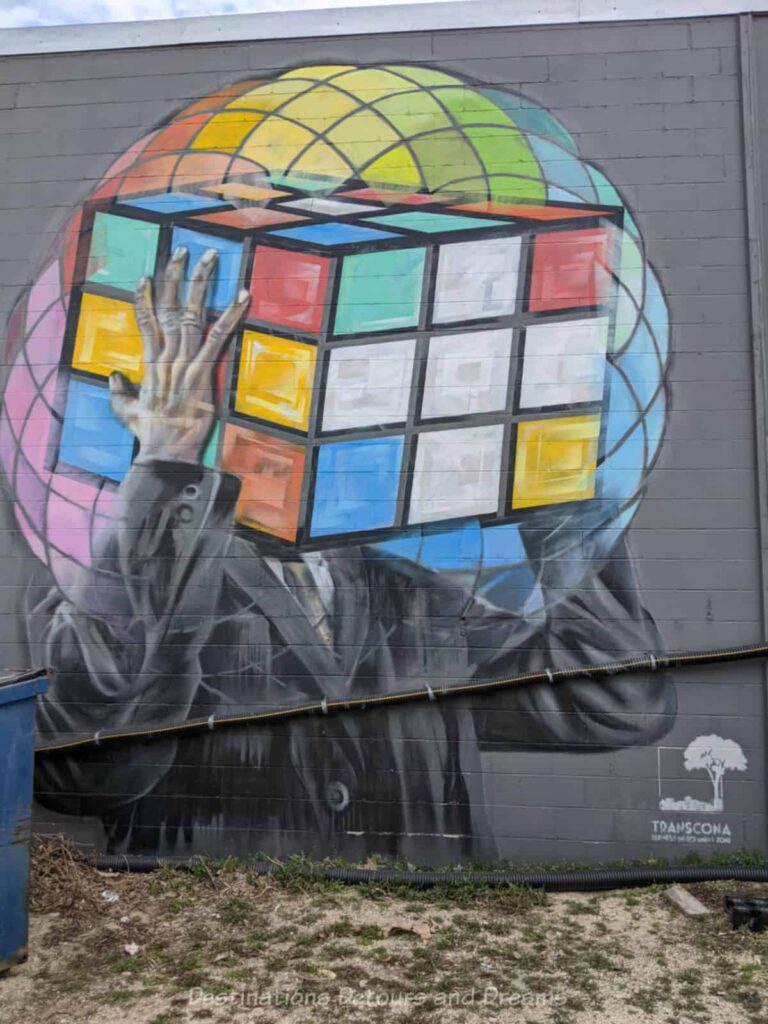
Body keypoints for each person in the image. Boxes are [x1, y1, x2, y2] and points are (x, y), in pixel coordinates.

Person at [31, 249, 676, 862]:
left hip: (430, 941)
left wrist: (537, 451)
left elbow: (613, 702)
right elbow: (84, 768)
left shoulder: (420, 571)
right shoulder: (107, 562)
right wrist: (166, 467)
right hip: (226, 941)